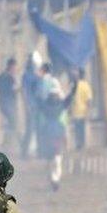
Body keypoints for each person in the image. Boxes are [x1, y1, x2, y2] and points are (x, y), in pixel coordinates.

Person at [36, 63, 68, 191]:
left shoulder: (44, 107)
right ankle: (55, 178)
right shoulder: (61, 108)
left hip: (49, 133)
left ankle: (54, 178)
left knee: (52, 158)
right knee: (57, 158)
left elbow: (38, 102)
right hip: (57, 133)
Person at [0, 58, 20, 147]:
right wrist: (12, 90)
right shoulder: (5, 76)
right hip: (6, 103)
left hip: (8, 103)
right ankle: (8, 143)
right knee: (13, 123)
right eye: (15, 67)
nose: (16, 69)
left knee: (10, 123)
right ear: (11, 66)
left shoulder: (8, 76)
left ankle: (7, 143)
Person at [21, 52, 43, 158]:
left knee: (31, 129)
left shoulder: (27, 75)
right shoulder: (31, 76)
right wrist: (27, 106)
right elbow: (26, 92)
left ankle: (28, 151)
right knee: (32, 128)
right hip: (33, 106)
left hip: (33, 106)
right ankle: (28, 152)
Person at [69, 68, 92, 150]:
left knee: (78, 130)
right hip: (83, 112)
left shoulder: (73, 85)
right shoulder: (86, 86)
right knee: (82, 130)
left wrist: (70, 111)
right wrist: (88, 111)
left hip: (76, 112)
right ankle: (82, 145)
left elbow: (70, 99)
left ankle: (79, 145)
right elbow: (89, 100)